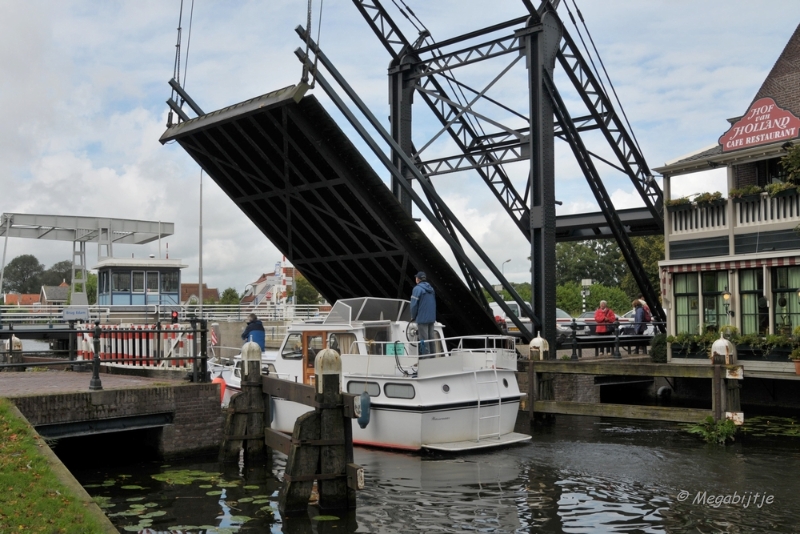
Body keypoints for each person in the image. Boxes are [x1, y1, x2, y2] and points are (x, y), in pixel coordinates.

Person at [410, 271, 436, 356]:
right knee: (431, 338)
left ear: (418, 279)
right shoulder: (431, 289)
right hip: (431, 318)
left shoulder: (417, 289)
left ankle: (426, 359)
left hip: (422, 319)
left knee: (423, 340)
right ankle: (433, 357)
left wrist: (413, 316)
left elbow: (414, 305)